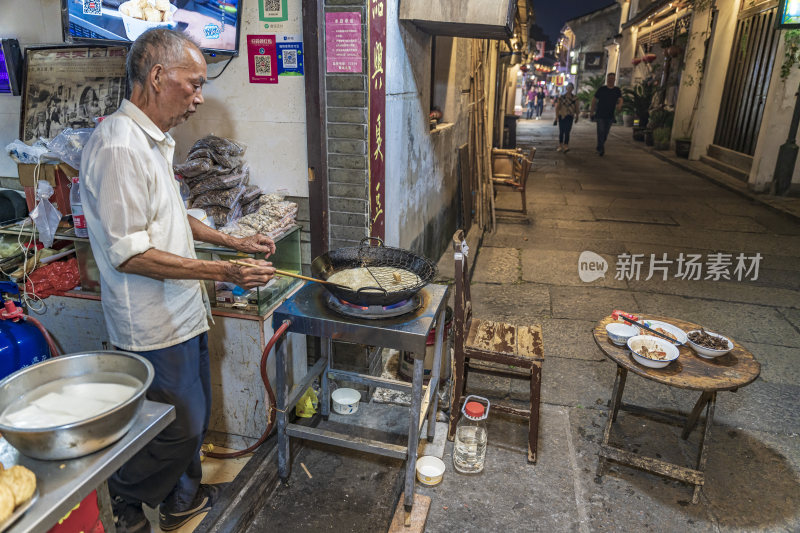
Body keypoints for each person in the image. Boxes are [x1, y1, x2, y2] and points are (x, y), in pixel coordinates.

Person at [80, 29, 277, 533]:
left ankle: (182, 503)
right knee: (179, 425)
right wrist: (223, 271)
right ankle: (121, 501)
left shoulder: (154, 142)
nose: (199, 97)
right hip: (151, 322)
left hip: (183, 310)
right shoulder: (119, 147)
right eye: (192, 85)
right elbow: (132, 254)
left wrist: (233, 243)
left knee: (193, 416)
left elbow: (173, 216)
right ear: (157, 76)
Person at [590, 72, 623, 156]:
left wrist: (619, 105)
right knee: (600, 131)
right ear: (607, 79)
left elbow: (620, 99)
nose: (611, 80)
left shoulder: (617, 90)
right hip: (600, 114)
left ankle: (599, 146)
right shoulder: (602, 89)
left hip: (610, 115)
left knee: (605, 133)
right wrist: (592, 111)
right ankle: (601, 149)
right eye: (609, 78)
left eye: (612, 78)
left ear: (614, 80)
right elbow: (594, 100)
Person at [555, 83, 579, 153]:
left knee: (567, 131)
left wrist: (577, 116)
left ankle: (566, 145)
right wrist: (556, 117)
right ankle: (560, 145)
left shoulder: (575, 98)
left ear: (572, 89)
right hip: (562, 116)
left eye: (571, 88)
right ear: (566, 88)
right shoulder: (561, 97)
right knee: (561, 131)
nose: (569, 89)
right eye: (568, 87)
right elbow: (557, 107)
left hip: (570, 116)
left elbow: (577, 108)